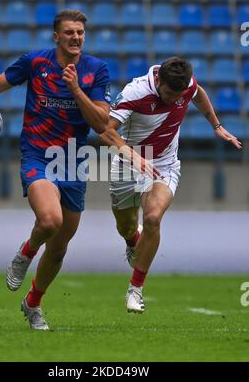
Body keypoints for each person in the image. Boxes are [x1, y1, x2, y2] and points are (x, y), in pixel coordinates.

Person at [0, 10, 110, 330]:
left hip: (73, 160)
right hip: (37, 154)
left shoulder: (96, 70)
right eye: (69, 32)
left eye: (80, 33)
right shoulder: (35, 62)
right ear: (56, 36)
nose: (76, 38)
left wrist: (76, 90)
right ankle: (24, 254)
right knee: (50, 220)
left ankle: (33, 304)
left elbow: (100, 124)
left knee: (59, 247)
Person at [100, 56, 242, 314]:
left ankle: (135, 289)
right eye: (168, 93)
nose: (173, 98)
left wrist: (217, 125)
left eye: (178, 94)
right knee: (126, 226)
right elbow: (105, 131)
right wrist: (135, 157)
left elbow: (198, 94)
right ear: (158, 80)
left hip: (164, 165)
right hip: (127, 164)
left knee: (153, 217)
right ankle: (133, 241)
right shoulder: (135, 91)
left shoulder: (185, 85)